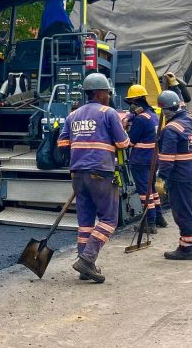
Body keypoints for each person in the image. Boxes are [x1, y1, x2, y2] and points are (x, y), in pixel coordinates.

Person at [57, 73, 131, 283]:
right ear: (99, 93)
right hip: (101, 172)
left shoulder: (73, 115)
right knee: (109, 219)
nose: (109, 96)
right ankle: (87, 259)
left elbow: (62, 144)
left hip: (78, 173)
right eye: (107, 92)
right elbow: (123, 143)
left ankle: (83, 266)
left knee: (85, 223)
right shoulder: (108, 113)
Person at [156, 90, 192, 260]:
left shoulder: (171, 130)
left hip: (180, 177)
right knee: (188, 211)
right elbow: (184, 104)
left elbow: (167, 160)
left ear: (166, 111)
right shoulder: (190, 119)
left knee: (183, 213)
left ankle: (186, 249)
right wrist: (176, 85)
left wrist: (161, 179)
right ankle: (191, 242)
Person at [123, 84, 166, 233]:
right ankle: (160, 218)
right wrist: (129, 117)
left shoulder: (141, 120)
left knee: (144, 192)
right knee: (152, 189)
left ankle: (150, 223)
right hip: (153, 159)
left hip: (140, 160)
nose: (130, 107)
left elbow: (130, 141)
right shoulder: (152, 115)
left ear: (136, 102)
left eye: (130, 103)